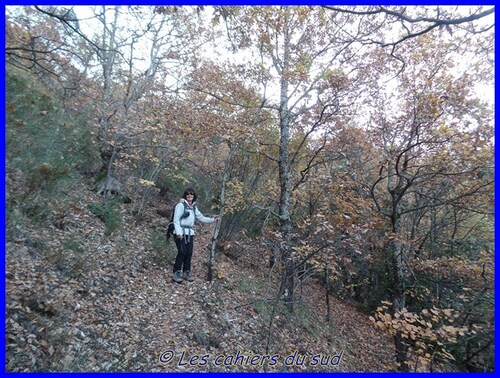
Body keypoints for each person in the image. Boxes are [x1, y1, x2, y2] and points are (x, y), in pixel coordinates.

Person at [172, 188, 219, 283]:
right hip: (180, 232)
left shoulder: (193, 207)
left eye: (191, 194)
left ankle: (186, 273)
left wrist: (213, 219)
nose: (190, 196)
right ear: (185, 195)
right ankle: (176, 273)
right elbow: (176, 220)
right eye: (188, 194)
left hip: (190, 233)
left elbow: (201, 217)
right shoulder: (180, 205)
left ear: (194, 196)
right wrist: (179, 233)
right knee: (182, 252)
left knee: (189, 253)